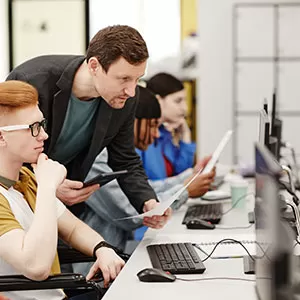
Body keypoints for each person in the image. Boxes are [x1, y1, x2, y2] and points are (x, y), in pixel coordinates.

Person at [6, 25, 171, 229]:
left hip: (66, 210)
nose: (131, 91)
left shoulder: (124, 99)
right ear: (94, 66)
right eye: (124, 79)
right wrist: (46, 186)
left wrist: (148, 202)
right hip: (15, 203)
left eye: (138, 79)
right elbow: (7, 152)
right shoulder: (32, 80)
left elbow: (125, 158)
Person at [0, 81, 126, 300]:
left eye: (42, 124)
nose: (44, 136)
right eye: (33, 128)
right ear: (2, 137)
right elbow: (36, 267)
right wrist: (48, 187)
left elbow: (73, 229)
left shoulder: (25, 177)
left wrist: (102, 248)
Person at [74, 86, 215, 275]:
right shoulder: (95, 158)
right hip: (96, 271)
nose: (156, 134)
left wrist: (190, 177)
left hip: (118, 256)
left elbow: (147, 190)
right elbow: (129, 210)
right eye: (152, 126)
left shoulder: (119, 156)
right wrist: (185, 190)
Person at [139, 72, 196, 180]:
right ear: (158, 100)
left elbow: (181, 175)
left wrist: (185, 134)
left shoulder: (164, 133)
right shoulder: (139, 136)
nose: (185, 108)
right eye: (178, 101)